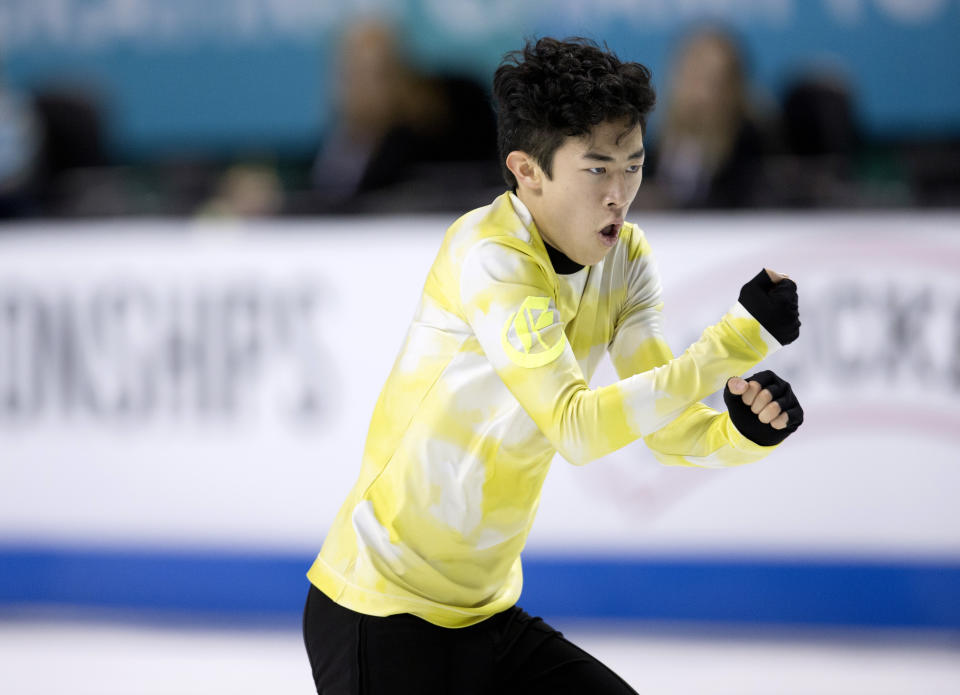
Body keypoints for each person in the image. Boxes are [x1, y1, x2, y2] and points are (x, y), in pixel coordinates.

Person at [303, 37, 803, 694]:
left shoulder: (625, 259)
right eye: (598, 169)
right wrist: (734, 342)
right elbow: (576, 426)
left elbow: (662, 426)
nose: (620, 195)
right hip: (377, 613)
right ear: (527, 170)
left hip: (484, 618)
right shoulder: (490, 256)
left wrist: (743, 434)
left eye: (634, 165)